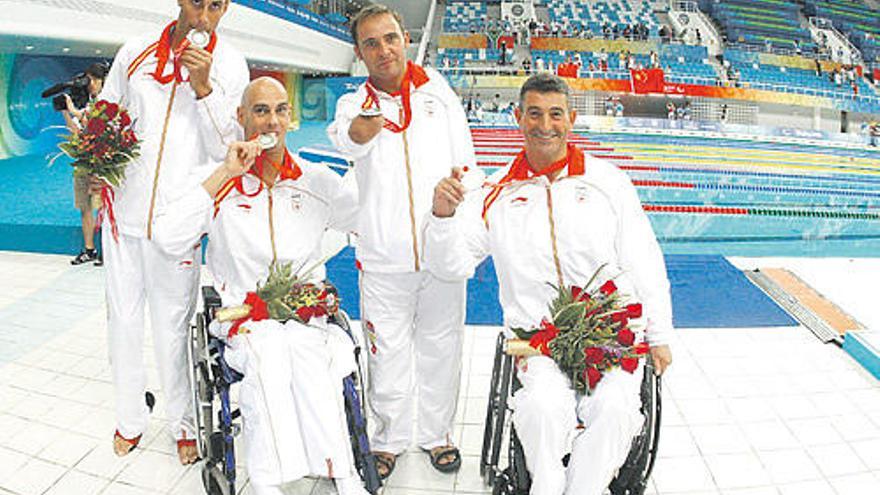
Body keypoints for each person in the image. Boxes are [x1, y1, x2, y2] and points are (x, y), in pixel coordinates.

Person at [423, 73, 673, 495]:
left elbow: (643, 259)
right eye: (534, 114)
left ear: (571, 119)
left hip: (610, 333)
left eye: (555, 114)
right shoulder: (495, 192)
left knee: (615, 408)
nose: (545, 125)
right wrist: (442, 217)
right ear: (517, 117)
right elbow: (451, 265)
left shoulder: (608, 182)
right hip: (539, 340)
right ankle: (548, 484)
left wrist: (660, 333)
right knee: (541, 408)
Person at [152, 77, 367, 495]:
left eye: (280, 110)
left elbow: (363, 220)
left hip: (306, 317)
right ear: (241, 118)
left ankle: (342, 472)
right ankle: (268, 481)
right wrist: (224, 174)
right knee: (270, 354)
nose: (271, 121)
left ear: (291, 117)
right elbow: (167, 237)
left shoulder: (315, 180)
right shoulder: (218, 181)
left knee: (314, 357)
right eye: (260, 110)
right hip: (242, 318)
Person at [327, 4, 477, 479]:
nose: (383, 49)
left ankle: (436, 434)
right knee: (385, 352)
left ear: (405, 39)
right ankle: (388, 438)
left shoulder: (438, 92)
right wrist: (365, 127)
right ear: (360, 52)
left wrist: (462, 211)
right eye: (371, 43)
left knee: (442, 347)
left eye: (389, 38)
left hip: (440, 249)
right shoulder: (356, 103)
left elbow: (466, 158)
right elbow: (347, 139)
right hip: (383, 256)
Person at [97, 0, 248, 464]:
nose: (205, 14)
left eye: (216, 5)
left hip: (178, 219)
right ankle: (129, 419)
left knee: (172, 327)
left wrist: (203, 88)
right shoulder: (136, 51)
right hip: (124, 214)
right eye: (197, 2)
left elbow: (228, 147)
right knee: (121, 321)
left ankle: (184, 423)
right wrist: (97, 155)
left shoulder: (230, 64)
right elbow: (108, 111)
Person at [62, 62, 109, 266]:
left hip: (102, 163)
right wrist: (66, 112)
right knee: (85, 206)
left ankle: (109, 250)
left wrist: (74, 110)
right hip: (83, 160)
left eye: (90, 80)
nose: (87, 84)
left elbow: (99, 126)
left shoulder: (109, 100)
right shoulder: (89, 101)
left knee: (105, 208)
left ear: (100, 80)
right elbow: (77, 131)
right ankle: (89, 249)